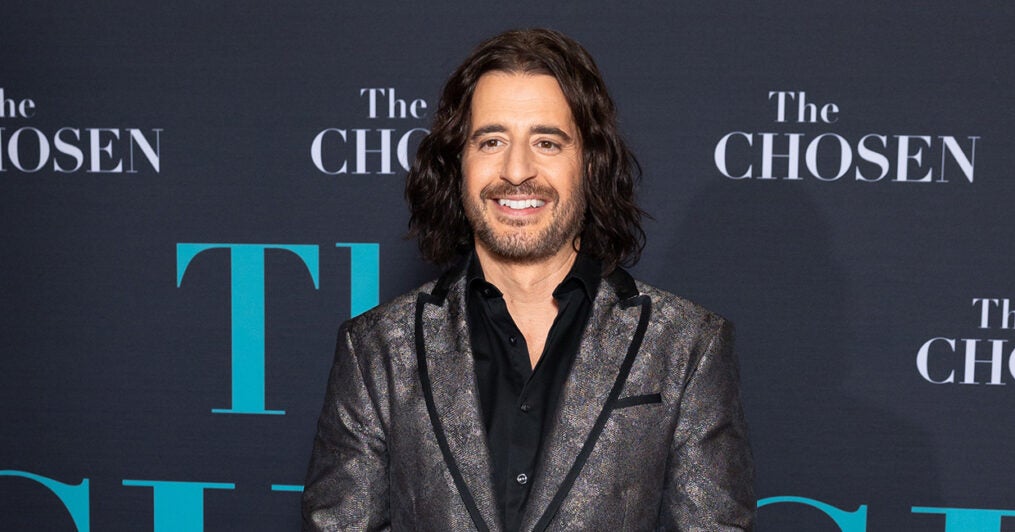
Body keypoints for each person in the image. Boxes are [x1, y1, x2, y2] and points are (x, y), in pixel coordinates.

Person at [302, 28, 755, 531]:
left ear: (589, 163)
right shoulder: (377, 350)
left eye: (547, 142)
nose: (517, 170)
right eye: (492, 141)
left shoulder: (687, 346)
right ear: (458, 165)